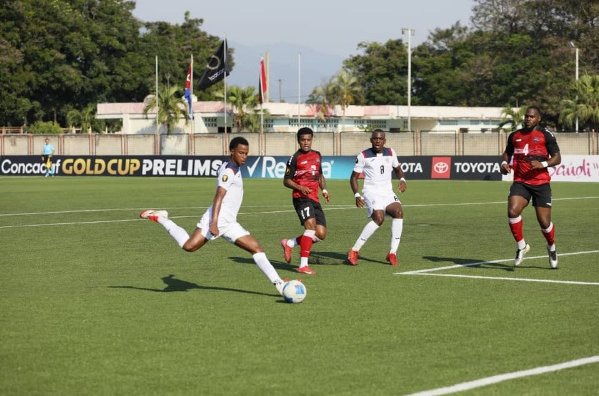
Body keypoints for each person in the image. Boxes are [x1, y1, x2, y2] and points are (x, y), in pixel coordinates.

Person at [139, 137, 288, 296]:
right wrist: (214, 223)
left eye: (246, 153)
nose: (244, 156)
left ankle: (279, 284)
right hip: (216, 219)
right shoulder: (228, 171)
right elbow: (218, 197)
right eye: (241, 153)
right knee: (189, 246)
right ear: (232, 151)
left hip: (229, 223)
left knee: (257, 249)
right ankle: (161, 218)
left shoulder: (233, 166)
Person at [500, 106, 561, 269]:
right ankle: (521, 246)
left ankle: (551, 247)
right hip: (521, 181)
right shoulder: (515, 136)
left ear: (538, 119)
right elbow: (507, 153)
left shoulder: (546, 135)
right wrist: (504, 163)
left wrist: (542, 164)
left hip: (541, 183)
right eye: (526, 116)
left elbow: (557, 158)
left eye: (532, 117)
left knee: (544, 222)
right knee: (512, 211)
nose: (528, 118)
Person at [347, 129, 407, 266]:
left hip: (387, 192)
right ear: (371, 140)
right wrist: (357, 195)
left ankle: (392, 253)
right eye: (375, 139)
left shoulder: (391, 152)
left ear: (384, 141)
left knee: (399, 212)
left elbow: (397, 169)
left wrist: (403, 180)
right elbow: (353, 178)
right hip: (371, 192)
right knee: (379, 219)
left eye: (380, 139)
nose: (377, 141)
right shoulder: (363, 155)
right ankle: (354, 250)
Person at [280, 127, 330, 275]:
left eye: (308, 139)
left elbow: (320, 175)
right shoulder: (294, 158)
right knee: (310, 228)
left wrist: (324, 190)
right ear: (299, 141)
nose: (306, 142)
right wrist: (300, 187)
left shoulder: (317, 155)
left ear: (312, 139)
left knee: (321, 234)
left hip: (314, 197)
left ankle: (289, 243)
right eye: (303, 140)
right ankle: (303, 265)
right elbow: (286, 181)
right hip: (300, 198)